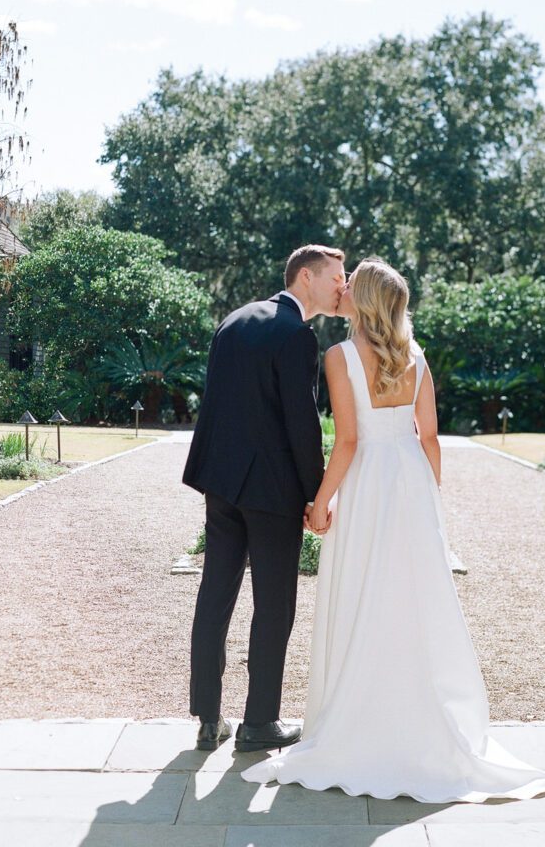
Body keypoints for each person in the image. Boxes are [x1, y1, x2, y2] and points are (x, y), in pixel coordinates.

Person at [241, 258, 545, 802]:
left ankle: (359, 717)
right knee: (416, 597)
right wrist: (430, 496)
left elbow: (346, 442)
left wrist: (320, 501)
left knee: (364, 591)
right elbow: (429, 436)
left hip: (367, 483)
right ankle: (421, 719)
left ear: (360, 302)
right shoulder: (417, 357)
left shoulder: (341, 357)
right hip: (410, 480)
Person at [183, 244, 346, 754]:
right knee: (274, 606)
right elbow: (302, 423)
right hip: (272, 493)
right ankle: (258, 723)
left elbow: (217, 405)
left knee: (215, 595)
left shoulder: (233, 320)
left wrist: (211, 474)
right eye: (338, 276)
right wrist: (316, 493)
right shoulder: (297, 335)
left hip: (222, 484)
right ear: (306, 276)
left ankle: (208, 718)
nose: (343, 286)